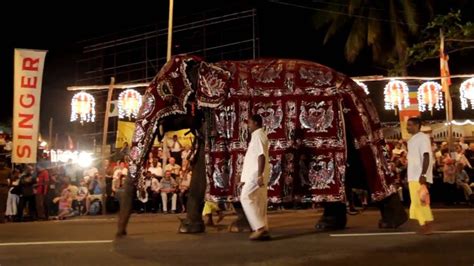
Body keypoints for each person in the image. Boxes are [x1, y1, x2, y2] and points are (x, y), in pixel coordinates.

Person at [239, 114, 271, 240]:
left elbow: (261, 156)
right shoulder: (258, 135)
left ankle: (259, 227)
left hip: (256, 173)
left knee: (245, 197)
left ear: (256, 123)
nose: (248, 126)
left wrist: (259, 175)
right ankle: (264, 229)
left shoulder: (258, 135)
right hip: (255, 173)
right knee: (259, 200)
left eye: (250, 123)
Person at [406, 117, 434, 234]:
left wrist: (423, 174)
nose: (408, 127)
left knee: (419, 201)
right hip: (413, 175)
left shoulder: (422, 138)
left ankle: (425, 225)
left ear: (418, 125)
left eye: (410, 125)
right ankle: (425, 224)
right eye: (407, 125)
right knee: (418, 201)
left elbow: (426, 156)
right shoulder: (412, 139)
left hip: (418, 175)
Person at [0, 157, 11, 223]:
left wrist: (8, 186)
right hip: (4, 187)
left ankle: (2, 218)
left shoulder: (8, 170)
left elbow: (11, 178)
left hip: (4, 187)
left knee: (3, 203)